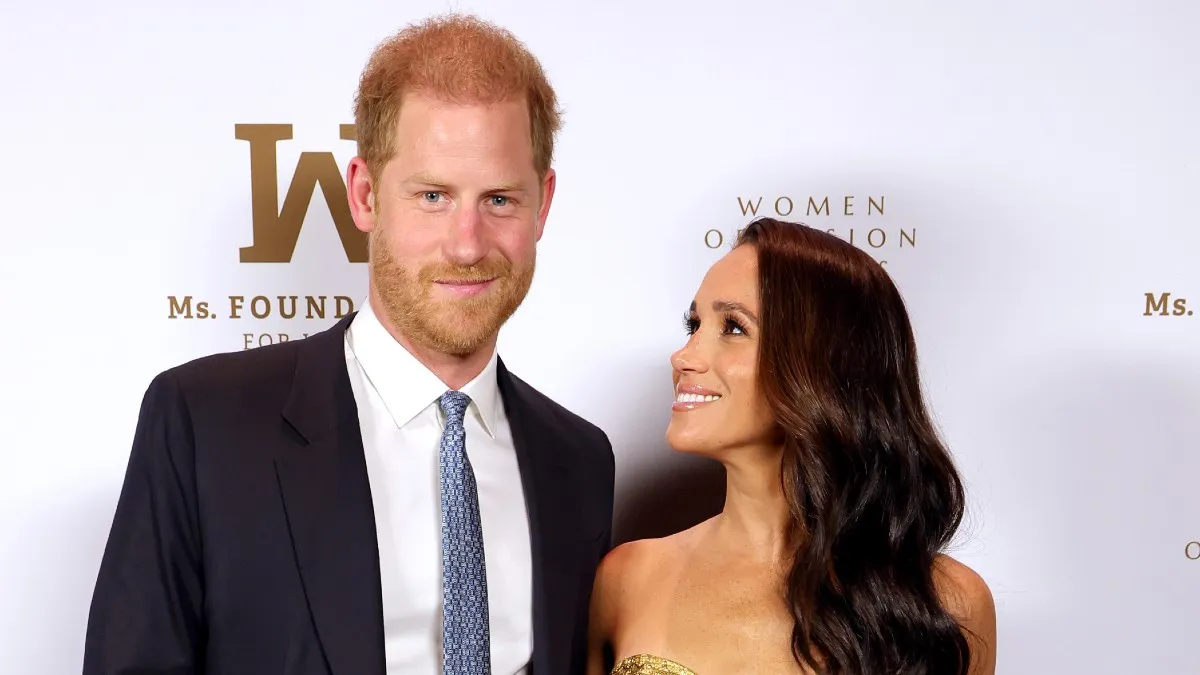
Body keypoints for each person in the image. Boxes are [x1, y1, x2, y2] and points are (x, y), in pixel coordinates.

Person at [82, 13, 614, 675]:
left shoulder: (579, 462)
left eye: (501, 199)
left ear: (544, 205)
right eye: (432, 196)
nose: (468, 243)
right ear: (364, 195)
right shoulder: (205, 422)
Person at [587, 218, 997, 675]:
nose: (684, 356)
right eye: (695, 324)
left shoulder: (947, 604)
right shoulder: (628, 579)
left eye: (734, 328)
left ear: (822, 364)